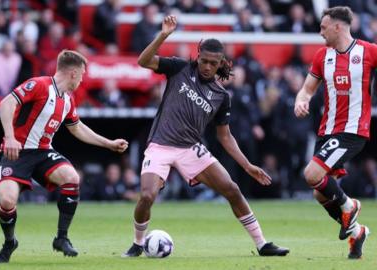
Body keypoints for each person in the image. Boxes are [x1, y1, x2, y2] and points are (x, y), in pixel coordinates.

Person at [123, 15, 289, 257]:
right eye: (204, 61)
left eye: (213, 63)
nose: (208, 66)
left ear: (221, 62)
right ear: (197, 56)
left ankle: (262, 244)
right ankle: (138, 244)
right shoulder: (179, 68)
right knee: (147, 195)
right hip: (160, 145)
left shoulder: (221, 96)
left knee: (232, 189)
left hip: (190, 148)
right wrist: (164, 35)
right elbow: (143, 61)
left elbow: (225, 136)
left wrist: (247, 165)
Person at [294, 6, 377, 259]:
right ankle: (357, 232)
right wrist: (300, 101)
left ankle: (349, 205)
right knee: (319, 191)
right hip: (328, 130)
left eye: (323, 27)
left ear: (338, 26)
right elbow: (306, 89)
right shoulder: (322, 56)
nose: (320, 32)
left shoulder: (370, 52)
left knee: (311, 174)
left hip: (353, 130)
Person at [0, 50, 129, 263]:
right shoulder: (39, 85)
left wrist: (109, 144)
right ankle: (10, 242)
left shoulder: (67, 99)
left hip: (43, 152)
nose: (83, 79)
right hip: (16, 151)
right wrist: (9, 137)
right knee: (7, 201)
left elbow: (77, 129)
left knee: (72, 177)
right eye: (82, 74)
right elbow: (6, 104)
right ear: (73, 73)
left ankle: (61, 238)